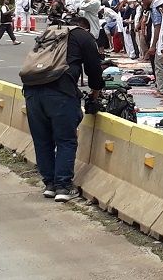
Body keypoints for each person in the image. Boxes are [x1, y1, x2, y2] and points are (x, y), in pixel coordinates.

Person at [24, 16, 103, 202]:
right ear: (84, 27)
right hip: (60, 93)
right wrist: (95, 94)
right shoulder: (83, 36)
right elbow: (94, 70)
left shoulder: (49, 34)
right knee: (66, 140)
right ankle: (63, 187)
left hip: (32, 91)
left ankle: (49, 184)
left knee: (42, 140)